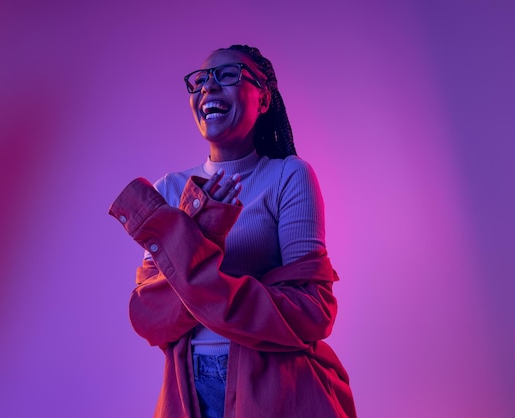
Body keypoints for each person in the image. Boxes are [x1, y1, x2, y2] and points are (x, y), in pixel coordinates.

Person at [109, 45, 356, 418]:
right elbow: (150, 317)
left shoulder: (289, 176)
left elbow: (312, 311)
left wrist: (193, 244)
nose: (209, 87)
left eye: (228, 75)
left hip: (278, 391)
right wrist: (200, 233)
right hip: (188, 388)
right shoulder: (170, 191)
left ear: (263, 99)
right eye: (201, 79)